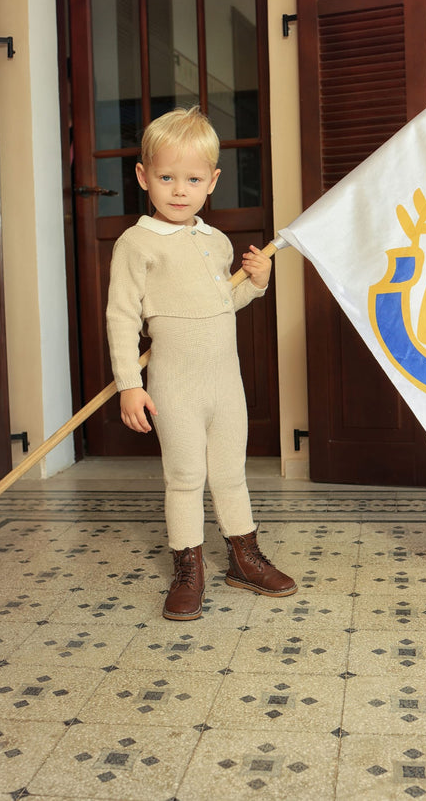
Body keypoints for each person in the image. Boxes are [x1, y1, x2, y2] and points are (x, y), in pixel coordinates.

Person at [106, 106, 297, 620]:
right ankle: (188, 567)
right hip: (174, 386)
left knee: (231, 473)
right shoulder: (136, 243)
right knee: (186, 476)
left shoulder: (216, 242)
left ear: (211, 182)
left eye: (191, 179)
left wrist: (255, 284)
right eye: (166, 177)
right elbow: (122, 317)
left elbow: (219, 304)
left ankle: (244, 559)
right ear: (144, 176)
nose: (178, 190)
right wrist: (129, 382)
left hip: (224, 384)